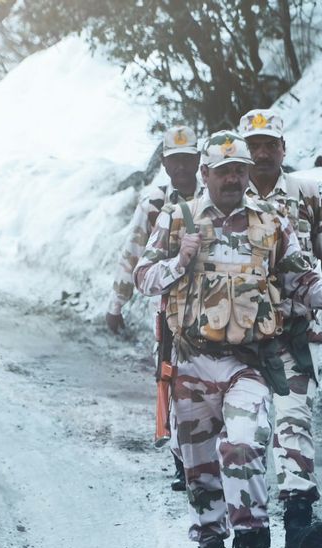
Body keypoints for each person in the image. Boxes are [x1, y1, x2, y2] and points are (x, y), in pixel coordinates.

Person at [135, 131, 322, 548]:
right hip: (190, 362)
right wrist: (179, 261)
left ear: (248, 173)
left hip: (247, 361)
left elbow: (302, 280)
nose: (233, 178)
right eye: (223, 170)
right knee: (199, 468)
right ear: (205, 174)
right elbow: (143, 276)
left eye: (240, 170)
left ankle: (253, 546)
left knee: (245, 443)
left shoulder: (271, 222)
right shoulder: (178, 218)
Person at [237, 108, 322, 548]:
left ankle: (298, 522)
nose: (261, 153)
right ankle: (247, 534)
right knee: (246, 436)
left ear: (283, 149)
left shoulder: (307, 194)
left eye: (269, 144)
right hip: (234, 341)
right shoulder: (220, 196)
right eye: (253, 145)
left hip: (290, 335)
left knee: (293, 421)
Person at [107, 124, 202, 491]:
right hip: (169, 311)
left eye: (187, 159)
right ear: (164, 164)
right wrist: (117, 302)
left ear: (197, 160)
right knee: (171, 383)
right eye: (174, 160)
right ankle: (182, 461)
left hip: (214, 309)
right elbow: (133, 254)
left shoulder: (217, 200)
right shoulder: (154, 204)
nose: (181, 167)